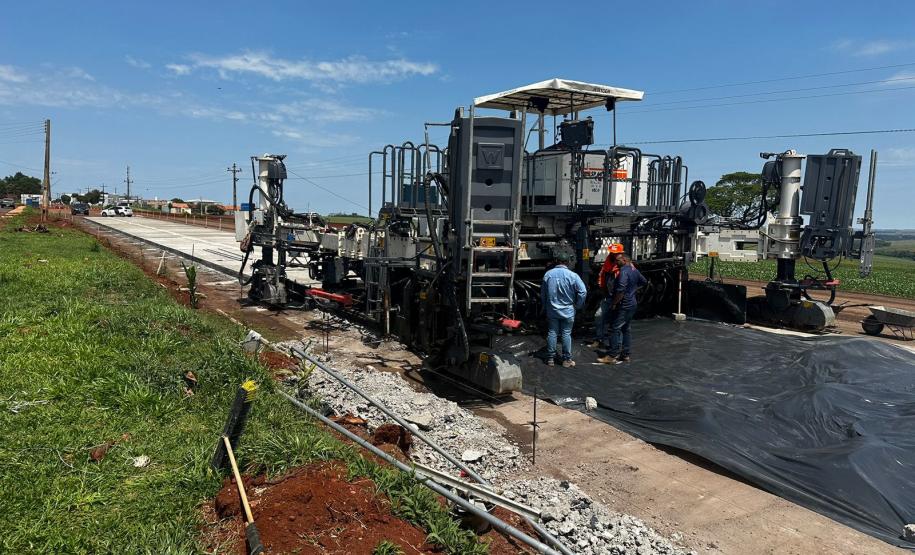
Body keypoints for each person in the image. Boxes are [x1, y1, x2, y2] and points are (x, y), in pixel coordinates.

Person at [598, 254, 647, 364]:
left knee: (614, 329)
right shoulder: (634, 270)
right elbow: (644, 281)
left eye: (618, 260)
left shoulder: (623, 272)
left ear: (624, 260)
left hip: (623, 305)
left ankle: (612, 355)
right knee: (626, 328)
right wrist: (634, 290)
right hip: (632, 304)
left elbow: (620, 290)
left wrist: (614, 304)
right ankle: (625, 355)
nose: (616, 261)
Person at [541, 252, 587, 367]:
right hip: (568, 311)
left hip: (552, 310)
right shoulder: (573, 275)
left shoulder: (548, 275)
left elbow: (543, 294)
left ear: (556, 261)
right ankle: (567, 360)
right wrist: (578, 305)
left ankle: (550, 358)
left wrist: (545, 306)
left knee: (552, 332)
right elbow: (583, 292)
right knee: (566, 333)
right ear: (567, 262)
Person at [588, 243, 624, 349]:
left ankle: (618, 346)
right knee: (599, 316)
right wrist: (602, 287)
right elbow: (602, 274)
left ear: (621, 253)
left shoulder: (624, 265)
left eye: (615, 253)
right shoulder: (609, 261)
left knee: (617, 322)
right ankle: (599, 339)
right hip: (608, 296)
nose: (613, 254)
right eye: (612, 252)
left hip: (619, 299)